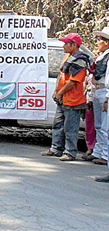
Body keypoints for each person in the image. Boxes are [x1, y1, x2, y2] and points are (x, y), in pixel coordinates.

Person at [41, 33, 89, 161]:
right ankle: (56, 149)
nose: (63, 46)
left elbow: (73, 81)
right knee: (58, 125)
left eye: (66, 43)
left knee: (70, 128)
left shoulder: (80, 60)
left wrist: (60, 92)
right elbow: (61, 76)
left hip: (73, 100)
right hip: (63, 99)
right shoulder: (68, 57)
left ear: (73, 45)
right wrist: (57, 91)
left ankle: (70, 152)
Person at [84, 28, 109, 166]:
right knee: (99, 125)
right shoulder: (101, 56)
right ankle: (98, 152)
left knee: (105, 125)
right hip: (98, 90)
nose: (98, 42)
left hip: (104, 90)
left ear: (106, 43)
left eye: (100, 40)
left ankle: (105, 154)